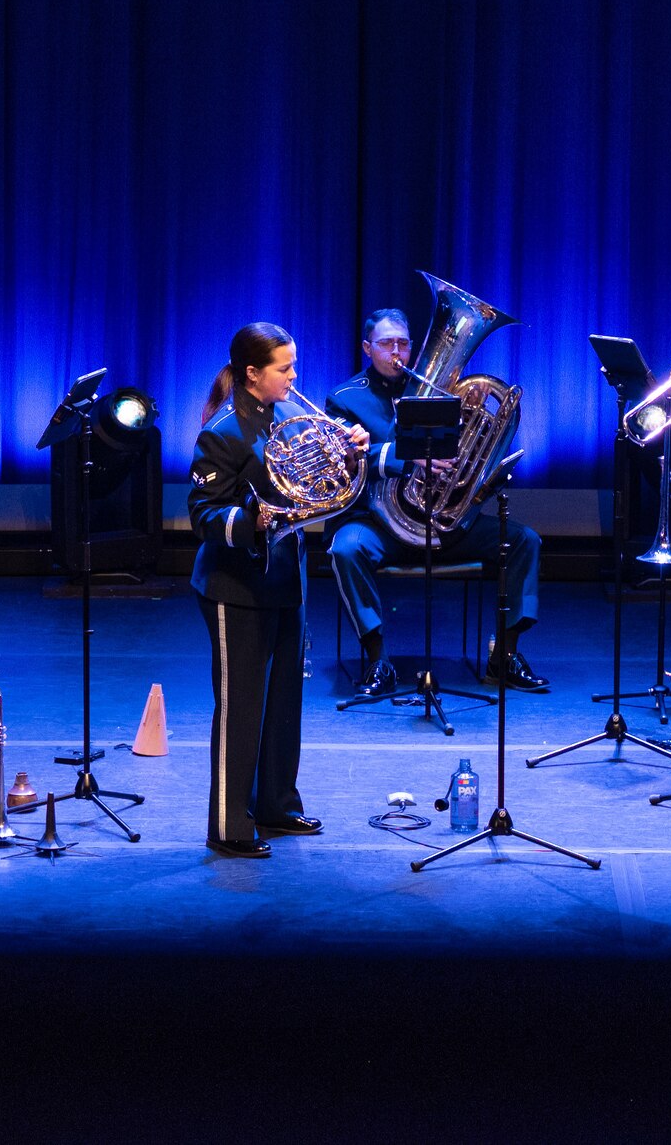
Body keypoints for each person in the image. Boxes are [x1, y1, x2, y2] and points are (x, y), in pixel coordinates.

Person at [189, 323, 367, 858]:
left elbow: (324, 483)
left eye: (293, 365)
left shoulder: (292, 414)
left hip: (285, 577)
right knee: (241, 707)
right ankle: (228, 825)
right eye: (284, 369)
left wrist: (353, 452)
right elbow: (201, 516)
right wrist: (253, 520)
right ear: (252, 374)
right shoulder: (221, 432)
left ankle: (275, 806)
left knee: (283, 702)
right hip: (234, 584)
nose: (294, 377)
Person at [325, 309, 547, 695]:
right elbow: (347, 460)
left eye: (403, 343)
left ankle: (506, 656)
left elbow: (472, 450)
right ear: (367, 348)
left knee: (524, 541)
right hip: (380, 524)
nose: (397, 352)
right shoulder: (345, 399)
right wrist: (408, 457)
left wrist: (479, 473)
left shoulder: (445, 389)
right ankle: (378, 659)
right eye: (386, 343)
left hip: (445, 523)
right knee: (345, 550)